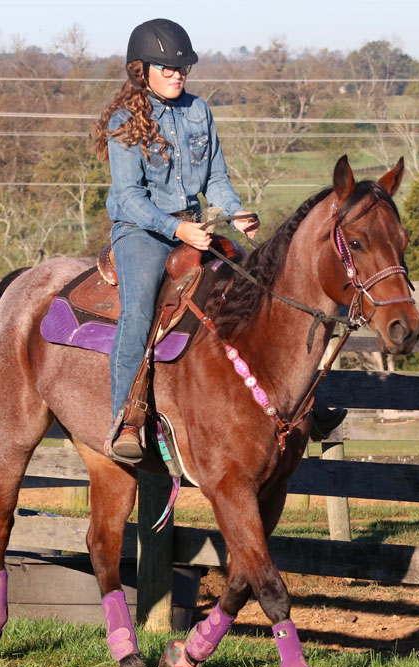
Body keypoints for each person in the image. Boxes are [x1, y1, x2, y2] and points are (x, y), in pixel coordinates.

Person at [93, 18, 259, 463]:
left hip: (194, 227)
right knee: (139, 311)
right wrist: (177, 229)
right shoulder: (125, 122)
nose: (176, 75)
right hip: (142, 232)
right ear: (141, 70)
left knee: (255, 286)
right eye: (166, 69)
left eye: (181, 68)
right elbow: (128, 198)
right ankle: (125, 419)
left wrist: (237, 212)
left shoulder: (198, 111)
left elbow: (217, 178)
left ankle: (285, 402)